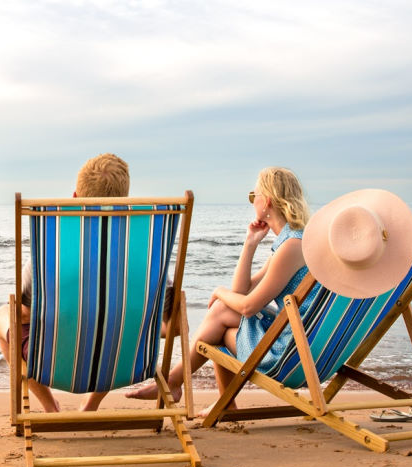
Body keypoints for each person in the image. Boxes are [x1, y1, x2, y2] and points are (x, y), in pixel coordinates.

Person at [126, 166, 314, 414]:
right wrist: (250, 243)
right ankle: (182, 386)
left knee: (218, 326)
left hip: (291, 352)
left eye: (252, 196)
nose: (252, 201)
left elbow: (248, 306)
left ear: (266, 201)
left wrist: (218, 291)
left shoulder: (291, 247)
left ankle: (178, 385)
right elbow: (242, 291)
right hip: (302, 341)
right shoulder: (294, 241)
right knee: (221, 314)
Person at [0, 153, 130, 412]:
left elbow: (23, 312)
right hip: (120, 360)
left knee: (1, 315)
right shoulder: (140, 250)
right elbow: (168, 322)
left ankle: (50, 405)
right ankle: (91, 403)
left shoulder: (53, 248)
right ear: (125, 201)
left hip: (51, 362)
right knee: (119, 326)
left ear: (75, 198)